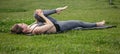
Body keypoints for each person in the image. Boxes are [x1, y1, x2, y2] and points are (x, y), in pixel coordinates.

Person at [11, 6, 106, 35]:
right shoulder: (35, 31)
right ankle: (97, 24)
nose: (23, 23)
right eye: (22, 24)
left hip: (50, 22)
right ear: (23, 30)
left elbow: (36, 21)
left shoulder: (30, 27)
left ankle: (56, 10)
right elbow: (50, 24)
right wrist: (42, 15)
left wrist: (37, 14)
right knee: (78, 22)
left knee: (35, 14)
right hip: (58, 26)